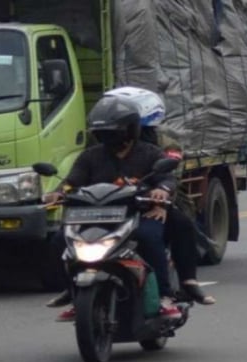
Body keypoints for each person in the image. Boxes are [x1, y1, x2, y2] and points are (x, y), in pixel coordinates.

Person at [44, 93, 213, 323]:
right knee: (59, 240)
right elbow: (73, 181)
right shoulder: (91, 156)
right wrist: (58, 193)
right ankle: (72, 291)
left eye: (113, 131)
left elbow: (167, 178)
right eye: (102, 132)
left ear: (130, 129)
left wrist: (161, 191)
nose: (107, 137)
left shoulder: (151, 152)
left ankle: (167, 295)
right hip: (98, 216)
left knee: (152, 236)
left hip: (141, 213)